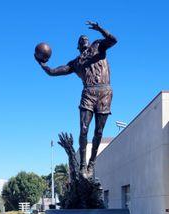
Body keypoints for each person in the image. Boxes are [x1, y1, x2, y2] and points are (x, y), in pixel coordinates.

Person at [36, 21, 117, 177]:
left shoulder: (99, 46)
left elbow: (113, 40)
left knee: (99, 131)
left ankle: (92, 163)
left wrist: (100, 29)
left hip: (104, 92)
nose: (84, 39)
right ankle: (83, 164)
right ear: (78, 47)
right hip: (88, 93)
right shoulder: (75, 63)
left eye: (86, 38)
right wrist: (41, 63)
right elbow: (53, 72)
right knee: (84, 130)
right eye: (81, 40)